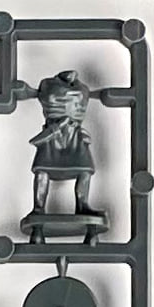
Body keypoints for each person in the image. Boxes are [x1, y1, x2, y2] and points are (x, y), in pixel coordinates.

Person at [29, 71, 96, 214]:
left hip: (74, 136)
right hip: (53, 136)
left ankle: (82, 205)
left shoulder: (82, 90)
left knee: (85, 170)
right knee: (42, 171)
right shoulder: (49, 86)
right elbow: (35, 141)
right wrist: (56, 128)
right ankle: (38, 208)